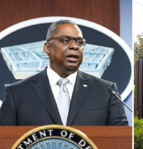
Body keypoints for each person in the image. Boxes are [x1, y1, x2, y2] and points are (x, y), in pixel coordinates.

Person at [0, 20, 128, 126]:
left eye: (79, 42)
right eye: (65, 41)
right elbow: (5, 143)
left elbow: (121, 142)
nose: (74, 46)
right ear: (47, 48)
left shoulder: (107, 91)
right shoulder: (16, 93)